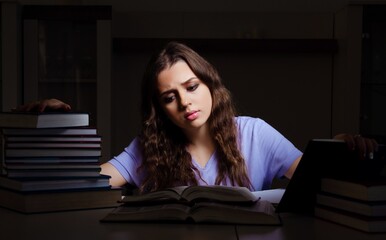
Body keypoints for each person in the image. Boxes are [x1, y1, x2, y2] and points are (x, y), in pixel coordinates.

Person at [17, 41, 378, 193]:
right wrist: (55, 131)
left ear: (209, 83)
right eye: (169, 98)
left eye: (191, 87)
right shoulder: (147, 148)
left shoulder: (254, 133)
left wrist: (343, 147)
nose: (185, 103)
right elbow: (85, 182)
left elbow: (319, 181)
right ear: (160, 109)